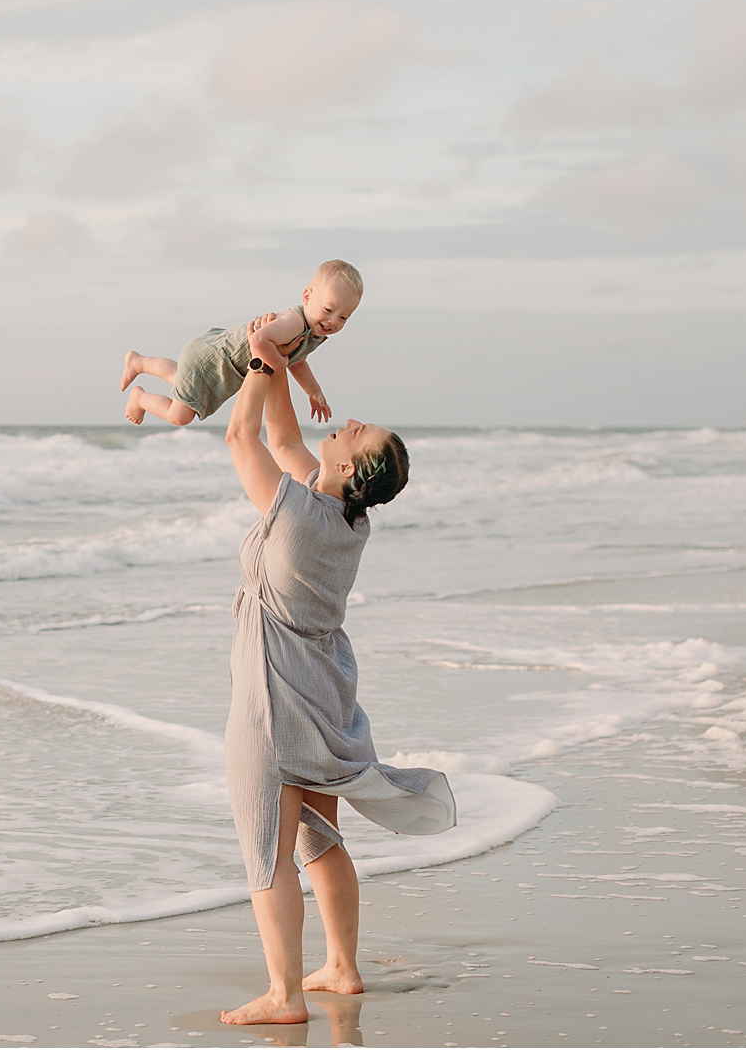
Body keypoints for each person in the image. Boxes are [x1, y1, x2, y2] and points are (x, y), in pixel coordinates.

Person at [217, 341, 456, 1027]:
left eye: (354, 432)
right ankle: (343, 968)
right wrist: (283, 360)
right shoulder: (349, 519)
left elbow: (243, 435)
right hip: (325, 694)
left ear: (348, 465)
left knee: (268, 848)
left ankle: (285, 996)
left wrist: (258, 368)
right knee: (319, 840)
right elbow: (283, 437)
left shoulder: (294, 515)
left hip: (275, 696)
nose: (346, 423)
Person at [120, 260, 363, 427]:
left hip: (214, 358)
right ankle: (140, 398)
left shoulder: (313, 333)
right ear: (307, 297)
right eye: (329, 309)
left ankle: (139, 362)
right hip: (216, 358)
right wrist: (279, 363)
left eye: (344, 317)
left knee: (180, 376)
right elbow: (259, 340)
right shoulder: (295, 323)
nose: (333, 321)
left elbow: (298, 363)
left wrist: (313, 391)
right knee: (180, 415)